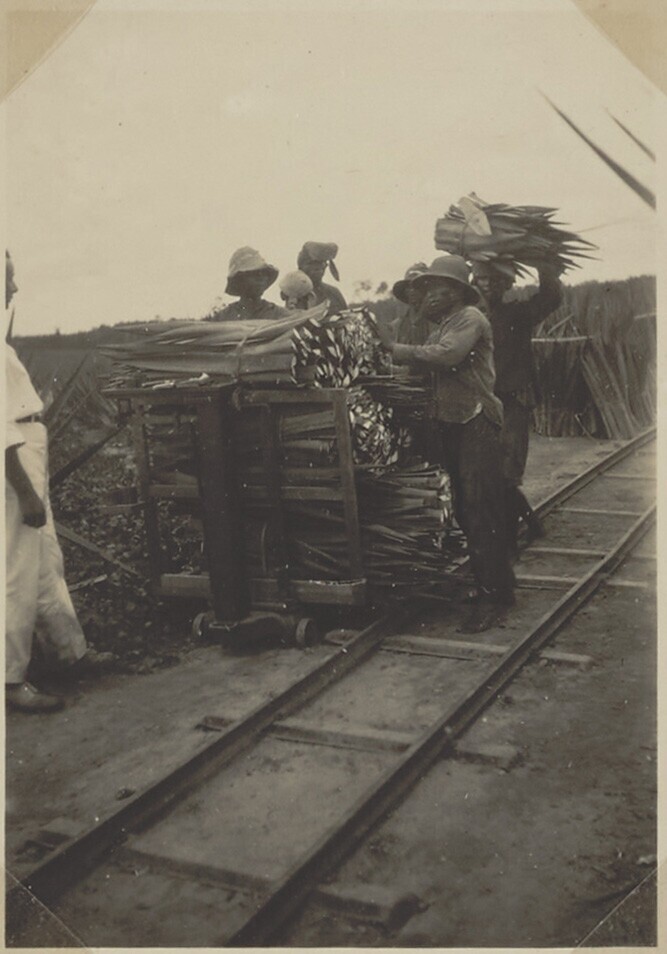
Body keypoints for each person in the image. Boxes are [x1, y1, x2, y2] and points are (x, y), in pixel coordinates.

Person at [376, 255, 515, 633]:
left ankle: (492, 597)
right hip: (452, 423)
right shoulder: (442, 326)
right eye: (427, 289)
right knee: (467, 511)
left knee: (479, 508)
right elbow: (419, 367)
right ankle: (498, 586)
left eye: (438, 288)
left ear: (456, 291)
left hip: (476, 421)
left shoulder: (470, 319)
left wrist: (394, 348)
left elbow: (447, 356)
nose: (429, 295)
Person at [5, 252, 114, 712]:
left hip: (29, 451)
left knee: (47, 561)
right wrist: (25, 492)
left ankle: (70, 653)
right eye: (7, 279)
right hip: (14, 465)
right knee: (17, 570)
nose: (13, 289)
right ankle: (9, 680)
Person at [472, 261, 563, 552]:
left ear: (507, 285)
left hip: (513, 401)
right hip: (480, 403)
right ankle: (528, 526)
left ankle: (507, 542)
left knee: (508, 472)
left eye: (496, 280)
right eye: (483, 279)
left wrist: (546, 267)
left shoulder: (518, 314)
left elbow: (550, 298)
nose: (489, 285)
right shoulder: (467, 318)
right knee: (487, 473)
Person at [206, 247, 286, 322]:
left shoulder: (280, 315)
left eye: (263, 273)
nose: (260, 278)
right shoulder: (223, 318)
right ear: (240, 279)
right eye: (254, 273)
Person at [296, 242, 347, 314]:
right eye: (311, 263)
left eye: (321, 263)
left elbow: (346, 317)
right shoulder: (294, 292)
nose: (317, 267)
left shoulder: (333, 293)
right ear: (301, 267)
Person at [391, 262, 430, 345]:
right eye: (408, 286)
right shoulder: (397, 326)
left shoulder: (439, 322)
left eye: (417, 286)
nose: (412, 290)